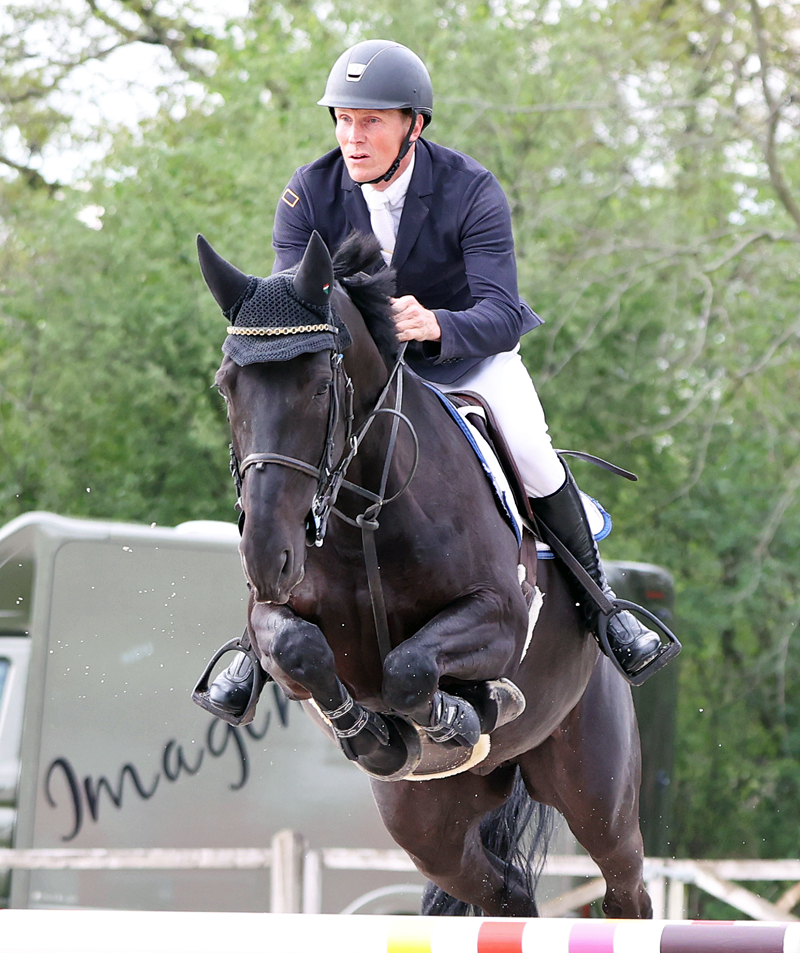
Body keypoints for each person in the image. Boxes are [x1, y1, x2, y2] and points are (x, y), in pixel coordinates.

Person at [203, 39, 665, 734]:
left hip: (465, 360)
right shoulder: (309, 191)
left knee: (533, 452)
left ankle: (605, 609)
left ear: (413, 125)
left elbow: (502, 311)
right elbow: (297, 309)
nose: (353, 138)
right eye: (344, 120)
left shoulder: (469, 188)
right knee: (284, 449)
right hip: (365, 374)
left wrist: (437, 324)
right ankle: (253, 641)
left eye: (371, 122)